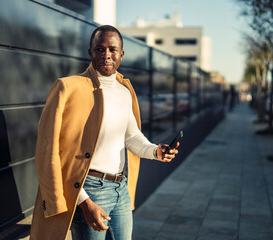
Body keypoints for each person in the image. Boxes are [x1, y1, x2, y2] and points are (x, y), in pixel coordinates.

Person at [30, 25, 179, 240]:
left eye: (112, 49)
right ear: (90, 52)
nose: (106, 55)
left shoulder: (125, 91)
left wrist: (156, 151)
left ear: (121, 54)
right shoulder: (67, 88)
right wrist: (83, 201)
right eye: (99, 49)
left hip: (121, 189)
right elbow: (50, 151)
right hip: (89, 189)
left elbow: (132, 136)